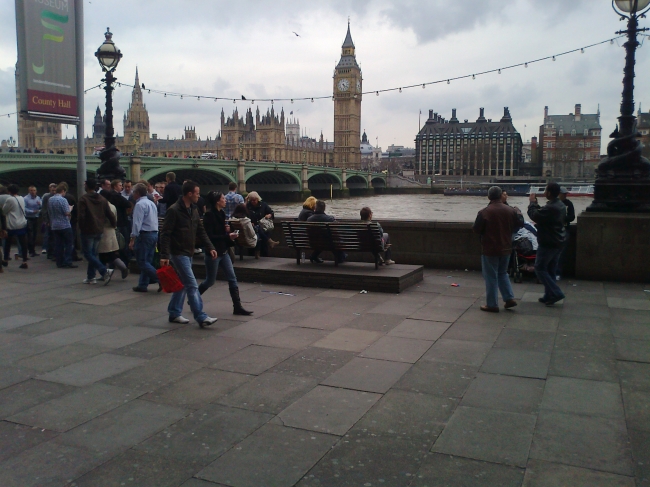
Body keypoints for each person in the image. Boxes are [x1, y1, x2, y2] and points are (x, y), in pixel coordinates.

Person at [160, 180, 218, 327]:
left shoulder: (194, 209)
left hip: (189, 251)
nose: (199, 196)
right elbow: (165, 234)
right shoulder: (174, 210)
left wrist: (210, 246)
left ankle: (174, 312)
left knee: (183, 284)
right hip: (178, 252)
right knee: (192, 284)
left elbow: (201, 230)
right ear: (189, 194)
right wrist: (165, 255)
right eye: (197, 193)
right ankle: (201, 316)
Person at [198, 192, 252, 315]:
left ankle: (237, 307)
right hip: (213, 253)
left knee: (232, 278)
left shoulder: (221, 214)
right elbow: (210, 236)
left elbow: (220, 233)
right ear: (217, 201)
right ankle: (194, 298)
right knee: (210, 281)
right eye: (223, 198)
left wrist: (227, 231)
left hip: (223, 251)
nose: (225, 200)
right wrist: (228, 236)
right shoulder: (209, 216)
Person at [473, 186, 524, 312]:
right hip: (506, 247)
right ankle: (509, 298)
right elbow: (519, 224)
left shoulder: (484, 212)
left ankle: (492, 304)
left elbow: (476, 229)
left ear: (489, 197)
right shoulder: (511, 210)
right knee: (502, 273)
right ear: (501, 195)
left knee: (491, 276)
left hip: (490, 249)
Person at [528, 182, 566, 306]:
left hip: (548, 242)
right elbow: (544, 215)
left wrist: (532, 202)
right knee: (550, 270)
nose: (544, 193)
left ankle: (556, 292)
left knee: (539, 268)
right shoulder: (559, 205)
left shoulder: (551, 207)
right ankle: (548, 295)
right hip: (558, 241)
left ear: (549, 192)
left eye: (545, 190)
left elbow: (535, 215)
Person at [78, 179, 116, 285]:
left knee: (88, 254)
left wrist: (81, 227)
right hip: (99, 229)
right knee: (93, 254)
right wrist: (114, 224)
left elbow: (81, 216)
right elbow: (109, 214)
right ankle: (91, 276)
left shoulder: (83, 199)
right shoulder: (102, 199)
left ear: (87, 186)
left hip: (88, 229)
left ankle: (104, 271)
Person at [130, 183, 160, 292]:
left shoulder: (139, 205)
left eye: (134, 192)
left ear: (137, 193)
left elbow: (137, 223)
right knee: (148, 260)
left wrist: (132, 238)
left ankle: (161, 279)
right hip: (153, 233)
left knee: (142, 262)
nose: (132, 194)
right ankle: (143, 284)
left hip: (144, 235)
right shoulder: (151, 203)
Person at [48, 183, 76, 268]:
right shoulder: (63, 200)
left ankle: (59, 262)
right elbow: (67, 212)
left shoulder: (50, 199)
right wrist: (70, 208)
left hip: (55, 225)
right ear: (63, 191)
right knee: (69, 244)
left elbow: (49, 211)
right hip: (65, 225)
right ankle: (67, 261)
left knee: (58, 244)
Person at [98, 201, 129, 279]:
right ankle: (122, 267)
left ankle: (105, 273)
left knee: (103, 254)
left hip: (104, 232)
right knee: (111, 254)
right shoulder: (113, 206)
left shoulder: (102, 206)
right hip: (112, 231)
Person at [2, 184, 29, 269]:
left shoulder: (10, 199)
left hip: (12, 224)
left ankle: (6, 259)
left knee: (8, 243)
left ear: (9, 191)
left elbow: (4, 211)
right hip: (22, 223)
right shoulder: (22, 198)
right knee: (23, 243)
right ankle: (24, 261)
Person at [246, 191, 278, 256]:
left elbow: (271, 212)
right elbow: (244, 216)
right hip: (252, 228)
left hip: (263, 227)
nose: (253, 202)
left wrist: (269, 215)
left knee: (259, 231)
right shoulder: (247, 206)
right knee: (257, 230)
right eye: (251, 200)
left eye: (254, 200)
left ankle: (260, 251)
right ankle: (269, 241)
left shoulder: (263, 205)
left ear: (258, 199)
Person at [556, 186, 575, 281]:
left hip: (564, 230)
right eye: (563, 194)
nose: (564, 195)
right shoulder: (553, 204)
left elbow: (572, 217)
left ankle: (558, 272)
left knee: (561, 253)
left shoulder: (569, 204)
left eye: (565, 194)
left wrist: (563, 218)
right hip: (555, 230)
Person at [23, 185, 42, 257]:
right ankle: (30, 250)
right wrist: (31, 211)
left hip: (36, 217)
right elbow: (24, 208)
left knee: (34, 234)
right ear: (29, 191)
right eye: (31, 190)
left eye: (34, 190)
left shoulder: (38, 198)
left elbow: (42, 206)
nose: (33, 192)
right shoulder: (25, 199)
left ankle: (33, 250)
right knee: (30, 234)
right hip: (29, 217)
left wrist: (40, 205)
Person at [41, 183, 56, 256]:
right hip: (49, 219)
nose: (53, 191)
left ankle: (52, 252)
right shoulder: (46, 197)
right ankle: (50, 252)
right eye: (52, 189)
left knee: (53, 236)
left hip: (54, 219)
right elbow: (44, 209)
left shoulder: (55, 197)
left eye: (54, 189)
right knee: (49, 236)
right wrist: (46, 220)